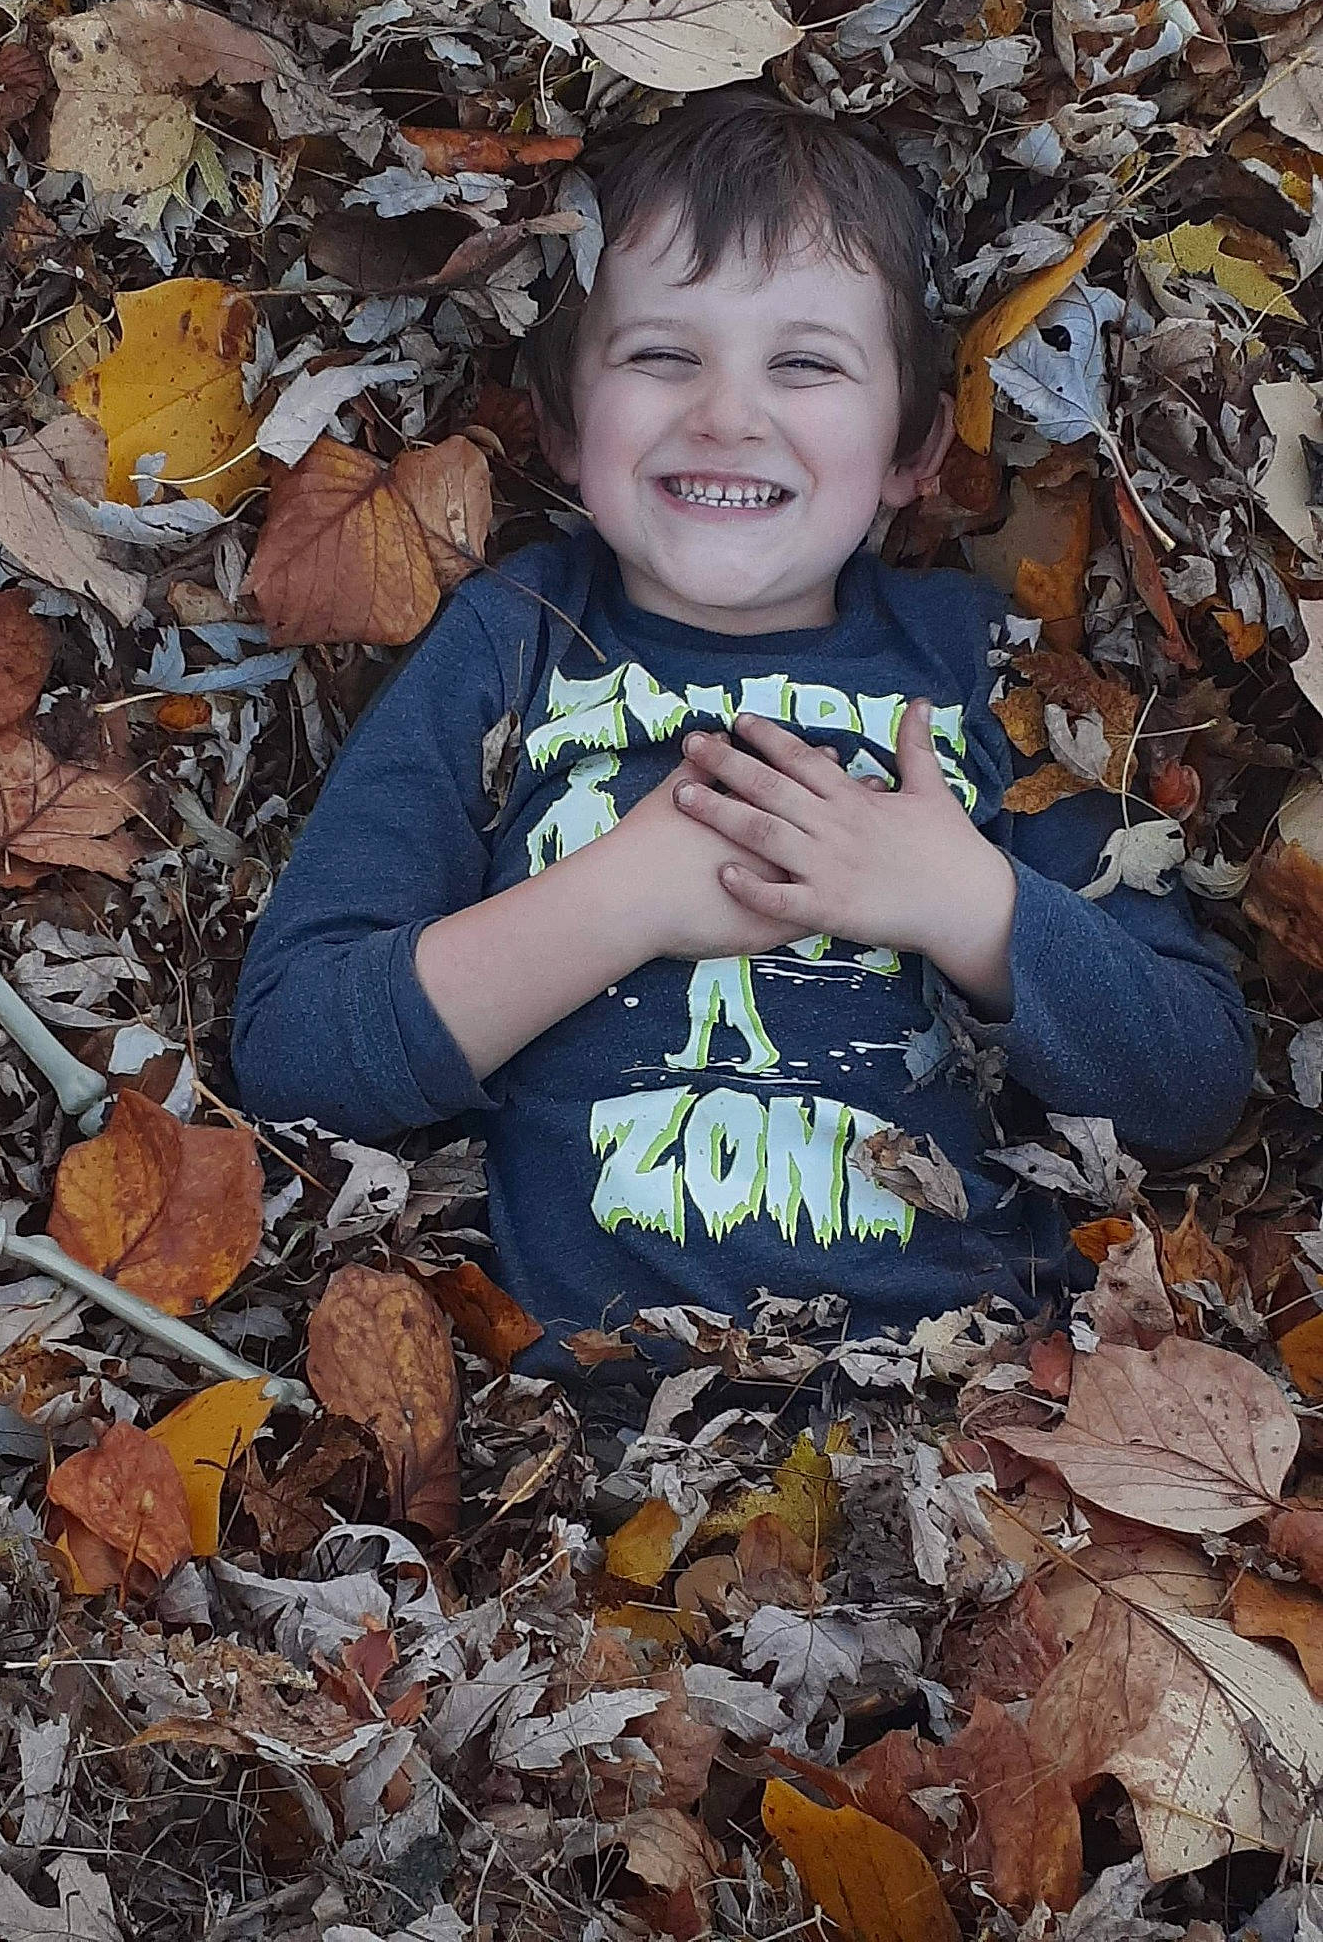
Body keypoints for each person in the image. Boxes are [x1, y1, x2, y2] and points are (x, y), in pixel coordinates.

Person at [232, 87, 1253, 1379]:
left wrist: (969, 906)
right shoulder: (513, 641)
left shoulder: (981, 665)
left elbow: (1195, 1084)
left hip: (973, 1421)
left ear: (912, 446)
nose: (725, 413)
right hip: (583, 1441)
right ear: (564, 419)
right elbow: (292, 1056)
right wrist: (619, 902)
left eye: (806, 364)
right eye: (664, 354)